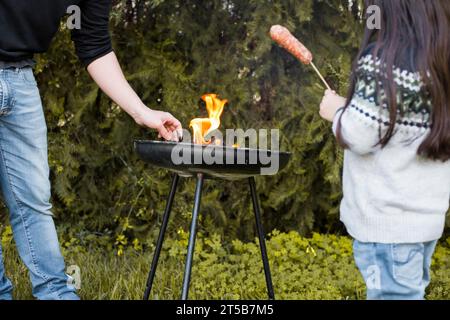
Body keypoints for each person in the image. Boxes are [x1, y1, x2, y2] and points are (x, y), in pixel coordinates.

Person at [0, 0, 182, 300]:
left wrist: (141, 112)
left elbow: (93, 44)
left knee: (33, 199)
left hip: (20, 81)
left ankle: (56, 292)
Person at [319, 0, 450, 300]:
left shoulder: (382, 61)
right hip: (423, 222)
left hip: (387, 226)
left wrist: (335, 113)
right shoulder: (437, 64)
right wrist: (349, 109)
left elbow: (359, 133)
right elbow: (393, 120)